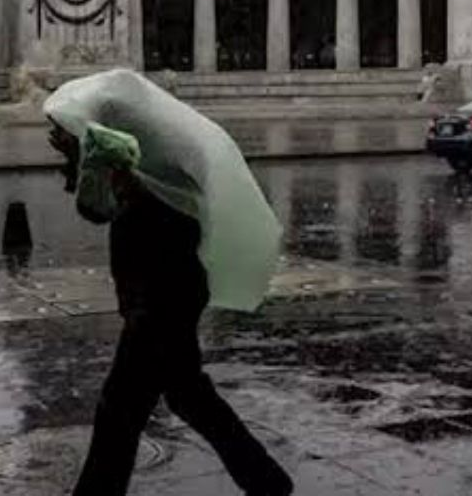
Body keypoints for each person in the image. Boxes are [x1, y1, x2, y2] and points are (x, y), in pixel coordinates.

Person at [44, 70, 293, 496]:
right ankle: (267, 480)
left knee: (120, 409)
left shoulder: (137, 178)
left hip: (157, 302)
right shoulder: (166, 180)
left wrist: (86, 161)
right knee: (187, 395)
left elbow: (95, 208)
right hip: (172, 293)